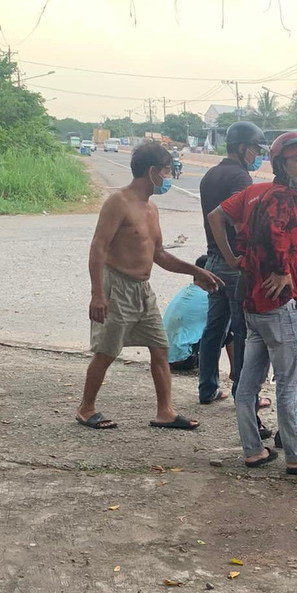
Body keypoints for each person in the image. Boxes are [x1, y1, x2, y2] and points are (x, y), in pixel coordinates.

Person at [209, 132, 297, 476]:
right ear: (281, 164)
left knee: (248, 382)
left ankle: (253, 450)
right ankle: (296, 455)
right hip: (277, 303)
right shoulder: (287, 198)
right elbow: (296, 236)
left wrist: (233, 258)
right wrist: (285, 272)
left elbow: (216, 217)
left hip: (251, 299)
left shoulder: (255, 192)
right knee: (289, 380)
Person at [76, 140, 220, 431]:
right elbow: (98, 248)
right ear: (152, 171)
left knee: (160, 347)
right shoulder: (118, 202)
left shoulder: (151, 208)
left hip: (143, 290)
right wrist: (97, 294)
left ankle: (165, 412)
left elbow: (159, 255)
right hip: (117, 288)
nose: (169, 176)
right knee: (106, 352)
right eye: (167, 170)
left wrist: (196, 271)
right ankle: (85, 408)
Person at [197, 120, 269, 406]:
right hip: (233, 264)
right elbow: (238, 222)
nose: (257, 155)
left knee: (214, 328)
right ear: (242, 148)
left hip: (212, 261)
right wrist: (234, 257)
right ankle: (245, 392)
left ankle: (207, 389)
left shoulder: (209, 175)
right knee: (243, 331)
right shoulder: (241, 179)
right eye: (254, 149)